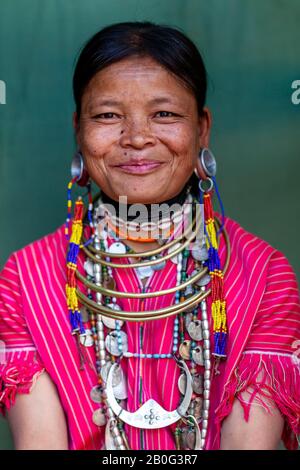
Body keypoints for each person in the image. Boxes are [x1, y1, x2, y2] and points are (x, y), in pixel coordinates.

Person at [0, 21, 299, 451]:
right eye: (107, 116)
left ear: (202, 129)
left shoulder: (262, 273)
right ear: (78, 130)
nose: (137, 138)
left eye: (165, 114)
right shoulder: (27, 278)